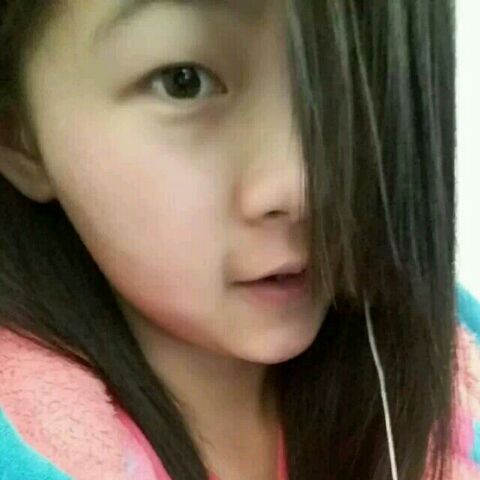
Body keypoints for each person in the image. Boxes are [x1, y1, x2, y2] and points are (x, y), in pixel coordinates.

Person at [0, 0, 476, 479]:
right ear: (19, 138)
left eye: (352, 81)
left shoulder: (452, 387)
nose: (303, 189)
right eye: (184, 82)